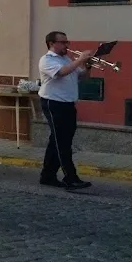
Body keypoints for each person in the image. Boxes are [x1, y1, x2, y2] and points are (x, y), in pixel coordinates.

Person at [38, 32, 98, 191]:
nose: (67, 45)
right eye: (63, 42)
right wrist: (79, 60)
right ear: (52, 43)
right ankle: (70, 178)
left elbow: (82, 77)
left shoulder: (66, 59)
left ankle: (47, 175)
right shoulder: (47, 60)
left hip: (68, 103)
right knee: (62, 143)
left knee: (58, 140)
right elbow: (61, 73)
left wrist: (88, 65)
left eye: (67, 42)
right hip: (53, 102)